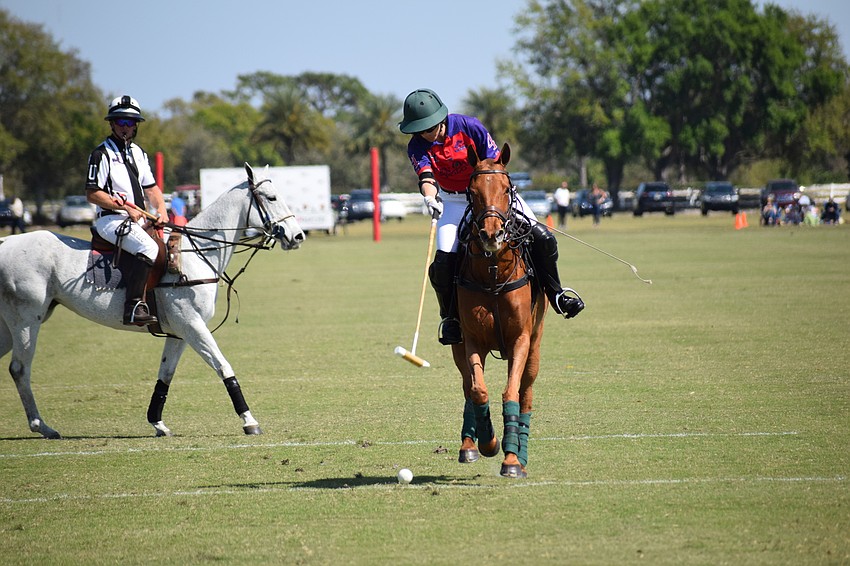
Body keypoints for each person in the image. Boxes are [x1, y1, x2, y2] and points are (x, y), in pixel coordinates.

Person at [398, 88, 584, 346]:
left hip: (491, 194)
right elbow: (426, 177)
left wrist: (493, 197)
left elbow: (495, 164)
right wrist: (431, 198)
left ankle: (557, 295)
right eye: (420, 129)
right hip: (453, 201)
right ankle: (450, 318)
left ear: (441, 118)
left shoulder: (468, 126)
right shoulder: (416, 145)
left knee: (543, 237)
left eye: (429, 127)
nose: (426, 133)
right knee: (443, 261)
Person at [85, 95, 167, 326]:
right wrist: (122, 206)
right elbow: (92, 193)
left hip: (137, 220)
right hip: (110, 220)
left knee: (171, 244)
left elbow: (151, 188)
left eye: (130, 122)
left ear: (136, 126)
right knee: (147, 247)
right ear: (111, 123)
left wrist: (160, 209)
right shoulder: (101, 154)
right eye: (120, 122)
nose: (125, 127)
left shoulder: (140, 153)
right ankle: (133, 307)